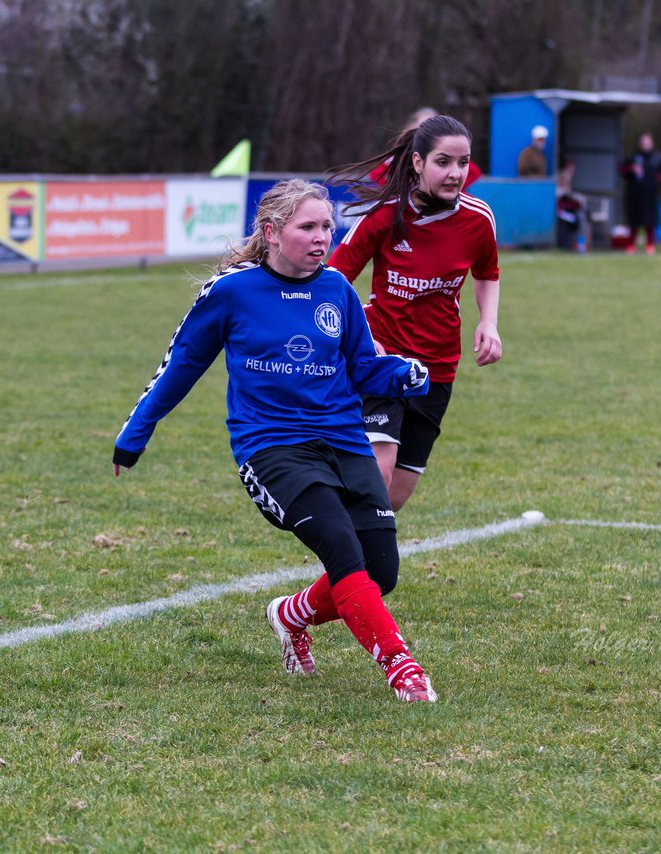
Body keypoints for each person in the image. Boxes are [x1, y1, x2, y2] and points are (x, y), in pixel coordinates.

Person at [112, 179, 439, 703]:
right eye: (307, 227)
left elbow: (363, 369)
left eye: (327, 227)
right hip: (272, 448)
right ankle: (402, 667)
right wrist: (135, 433)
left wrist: (400, 375)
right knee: (343, 552)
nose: (321, 237)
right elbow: (181, 366)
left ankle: (291, 615)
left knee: (381, 571)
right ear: (271, 233)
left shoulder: (337, 290)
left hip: (343, 441)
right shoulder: (231, 291)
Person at [328, 114, 502, 513]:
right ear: (418, 162)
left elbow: (487, 272)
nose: (455, 173)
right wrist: (355, 337)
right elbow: (335, 280)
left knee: (394, 496)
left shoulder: (478, 220)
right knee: (380, 472)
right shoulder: (384, 215)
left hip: (437, 368)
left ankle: (345, 560)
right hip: (383, 358)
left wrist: (488, 322)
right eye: (443, 162)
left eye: (463, 163)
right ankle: (344, 570)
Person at [368, 107, 483, 190]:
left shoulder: (475, 212)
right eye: (442, 162)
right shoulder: (391, 164)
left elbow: (474, 172)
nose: (455, 174)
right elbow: (376, 175)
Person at [618, 132, 661, 255]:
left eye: (648, 142)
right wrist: (631, 169)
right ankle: (631, 245)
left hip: (650, 194)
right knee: (634, 221)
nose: (645, 144)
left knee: (650, 221)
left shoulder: (658, 157)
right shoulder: (633, 157)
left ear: (652, 143)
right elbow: (621, 169)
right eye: (643, 142)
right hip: (635, 194)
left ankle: (650, 245)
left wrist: (659, 180)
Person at [555, 156, 589, 253]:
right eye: (569, 170)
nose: (571, 173)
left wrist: (578, 198)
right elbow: (561, 198)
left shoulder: (568, 182)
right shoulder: (559, 180)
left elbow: (569, 196)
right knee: (577, 219)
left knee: (582, 217)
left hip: (569, 212)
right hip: (561, 212)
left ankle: (580, 244)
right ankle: (573, 244)